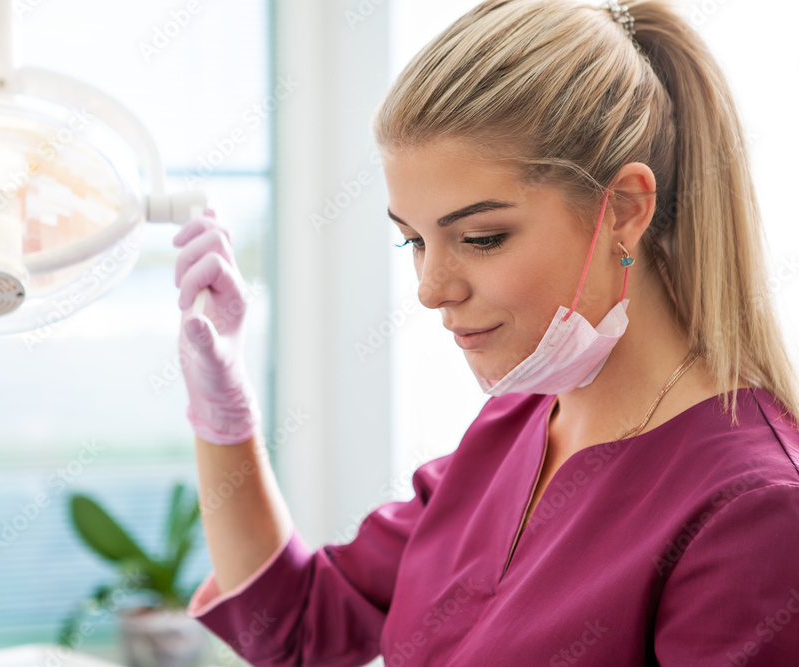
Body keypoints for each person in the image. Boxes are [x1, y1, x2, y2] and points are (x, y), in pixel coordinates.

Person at [170, 0, 799, 664]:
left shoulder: (754, 511)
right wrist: (223, 414)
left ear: (624, 208)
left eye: (481, 237)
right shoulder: (514, 428)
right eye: (413, 240)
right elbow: (297, 626)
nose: (431, 288)